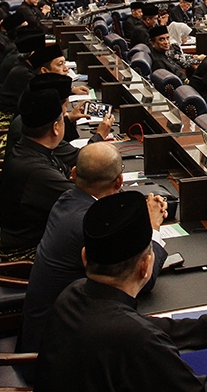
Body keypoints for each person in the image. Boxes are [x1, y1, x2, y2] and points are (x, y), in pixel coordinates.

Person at [33, 191, 207, 392]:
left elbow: (142, 326)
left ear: (85, 257)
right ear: (146, 266)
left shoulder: (73, 293)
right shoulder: (136, 340)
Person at [18, 143, 168, 355]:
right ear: (119, 181)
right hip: (55, 352)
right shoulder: (87, 226)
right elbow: (141, 279)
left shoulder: (67, 200)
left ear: (73, 173)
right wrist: (152, 227)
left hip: (53, 327)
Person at [0, 87, 74, 261]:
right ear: (56, 127)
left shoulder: (30, 148)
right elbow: (81, 200)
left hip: (34, 236)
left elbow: (68, 173)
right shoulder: (36, 170)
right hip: (26, 255)